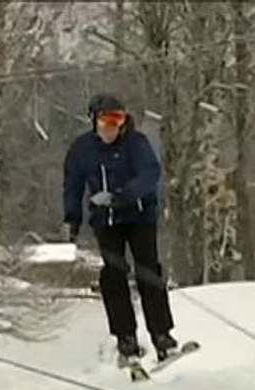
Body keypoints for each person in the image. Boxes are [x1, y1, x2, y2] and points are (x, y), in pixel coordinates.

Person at [62, 93, 178, 361]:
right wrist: (72, 218)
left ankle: (161, 333)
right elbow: (72, 185)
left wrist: (122, 196)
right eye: (105, 121)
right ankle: (125, 337)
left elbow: (149, 174)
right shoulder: (82, 150)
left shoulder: (136, 144)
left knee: (148, 271)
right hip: (106, 222)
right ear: (93, 122)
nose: (111, 128)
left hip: (139, 217)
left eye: (117, 120)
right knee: (113, 275)